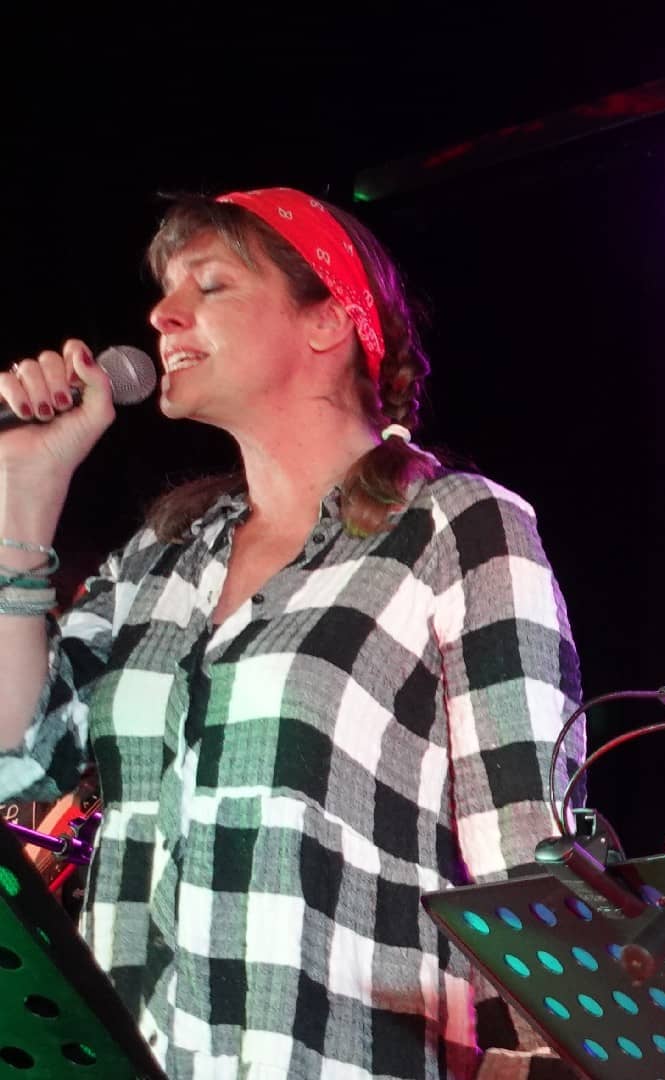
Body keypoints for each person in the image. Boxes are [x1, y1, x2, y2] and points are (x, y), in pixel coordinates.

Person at [0, 188, 585, 1079]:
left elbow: (529, 858)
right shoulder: (158, 558)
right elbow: (15, 759)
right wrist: (23, 494)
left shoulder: (454, 527)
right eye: (165, 288)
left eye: (212, 283)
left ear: (329, 324)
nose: (162, 313)